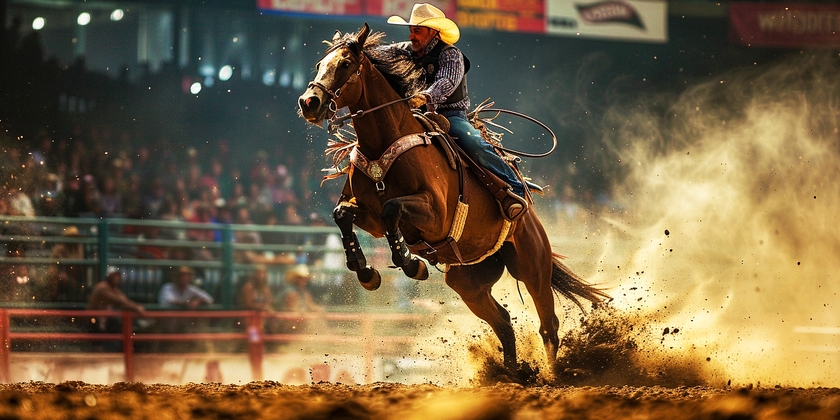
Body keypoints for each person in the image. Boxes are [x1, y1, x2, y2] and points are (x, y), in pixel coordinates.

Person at [384, 3, 537, 221]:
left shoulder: (450, 54)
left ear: (433, 32)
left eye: (417, 30)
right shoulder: (403, 51)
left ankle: (516, 190)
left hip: (450, 117)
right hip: (414, 116)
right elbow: (375, 55)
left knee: (473, 143)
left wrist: (427, 96)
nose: (411, 36)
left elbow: (447, 81)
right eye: (411, 30)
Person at [86, 269, 146, 349]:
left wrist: (136, 307)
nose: (116, 278)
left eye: (117, 276)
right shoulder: (102, 287)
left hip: (103, 319)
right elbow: (118, 301)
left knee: (117, 325)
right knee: (116, 324)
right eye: (114, 275)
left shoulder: (113, 288)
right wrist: (136, 308)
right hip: (95, 320)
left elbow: (124, 300)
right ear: (109, 276)